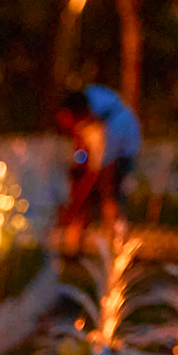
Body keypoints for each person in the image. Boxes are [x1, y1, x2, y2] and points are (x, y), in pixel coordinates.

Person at [55, 86, 140, 250]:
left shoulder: (108, 127)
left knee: (109, 189)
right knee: (103, 187)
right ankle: (100, 234)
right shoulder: (91, 108)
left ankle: (115, 237)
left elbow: (96, 170)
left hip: (119, 149)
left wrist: (77, 203)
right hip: (114, 147)